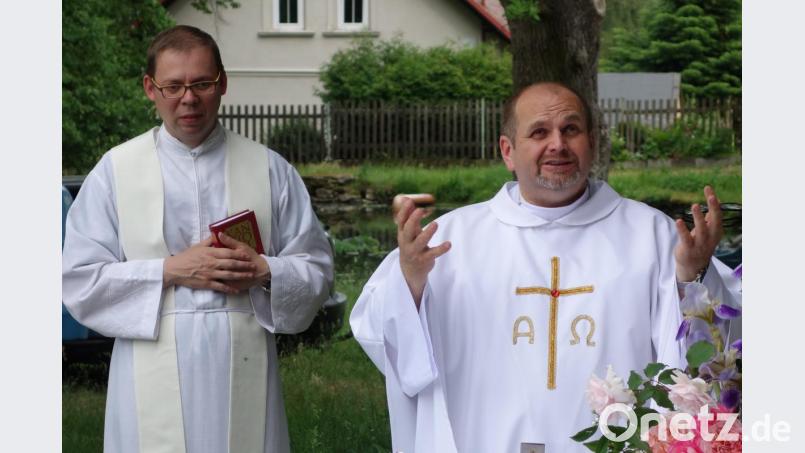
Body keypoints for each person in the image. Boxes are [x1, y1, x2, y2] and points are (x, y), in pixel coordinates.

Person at [350, 82, 741, 452]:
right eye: (539, 132)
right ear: (507, 151)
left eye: (571, 129)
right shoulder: (448, 240)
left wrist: (694, 275)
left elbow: (710, 354)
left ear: (592, 142)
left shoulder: (652, 234)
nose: (557, 144)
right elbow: (382, 337)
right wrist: (411, 284)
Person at [62, 25, 333, 453]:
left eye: (201, 83)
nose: (188, 99)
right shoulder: (115, 172)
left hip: (244, 360)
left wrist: (266, 270)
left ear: (223, 83)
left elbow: (316, 267)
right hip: (148, 362)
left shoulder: (269, 168)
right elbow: (79, 280)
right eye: (173, 86)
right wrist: (170, 270)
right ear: (150, 89)